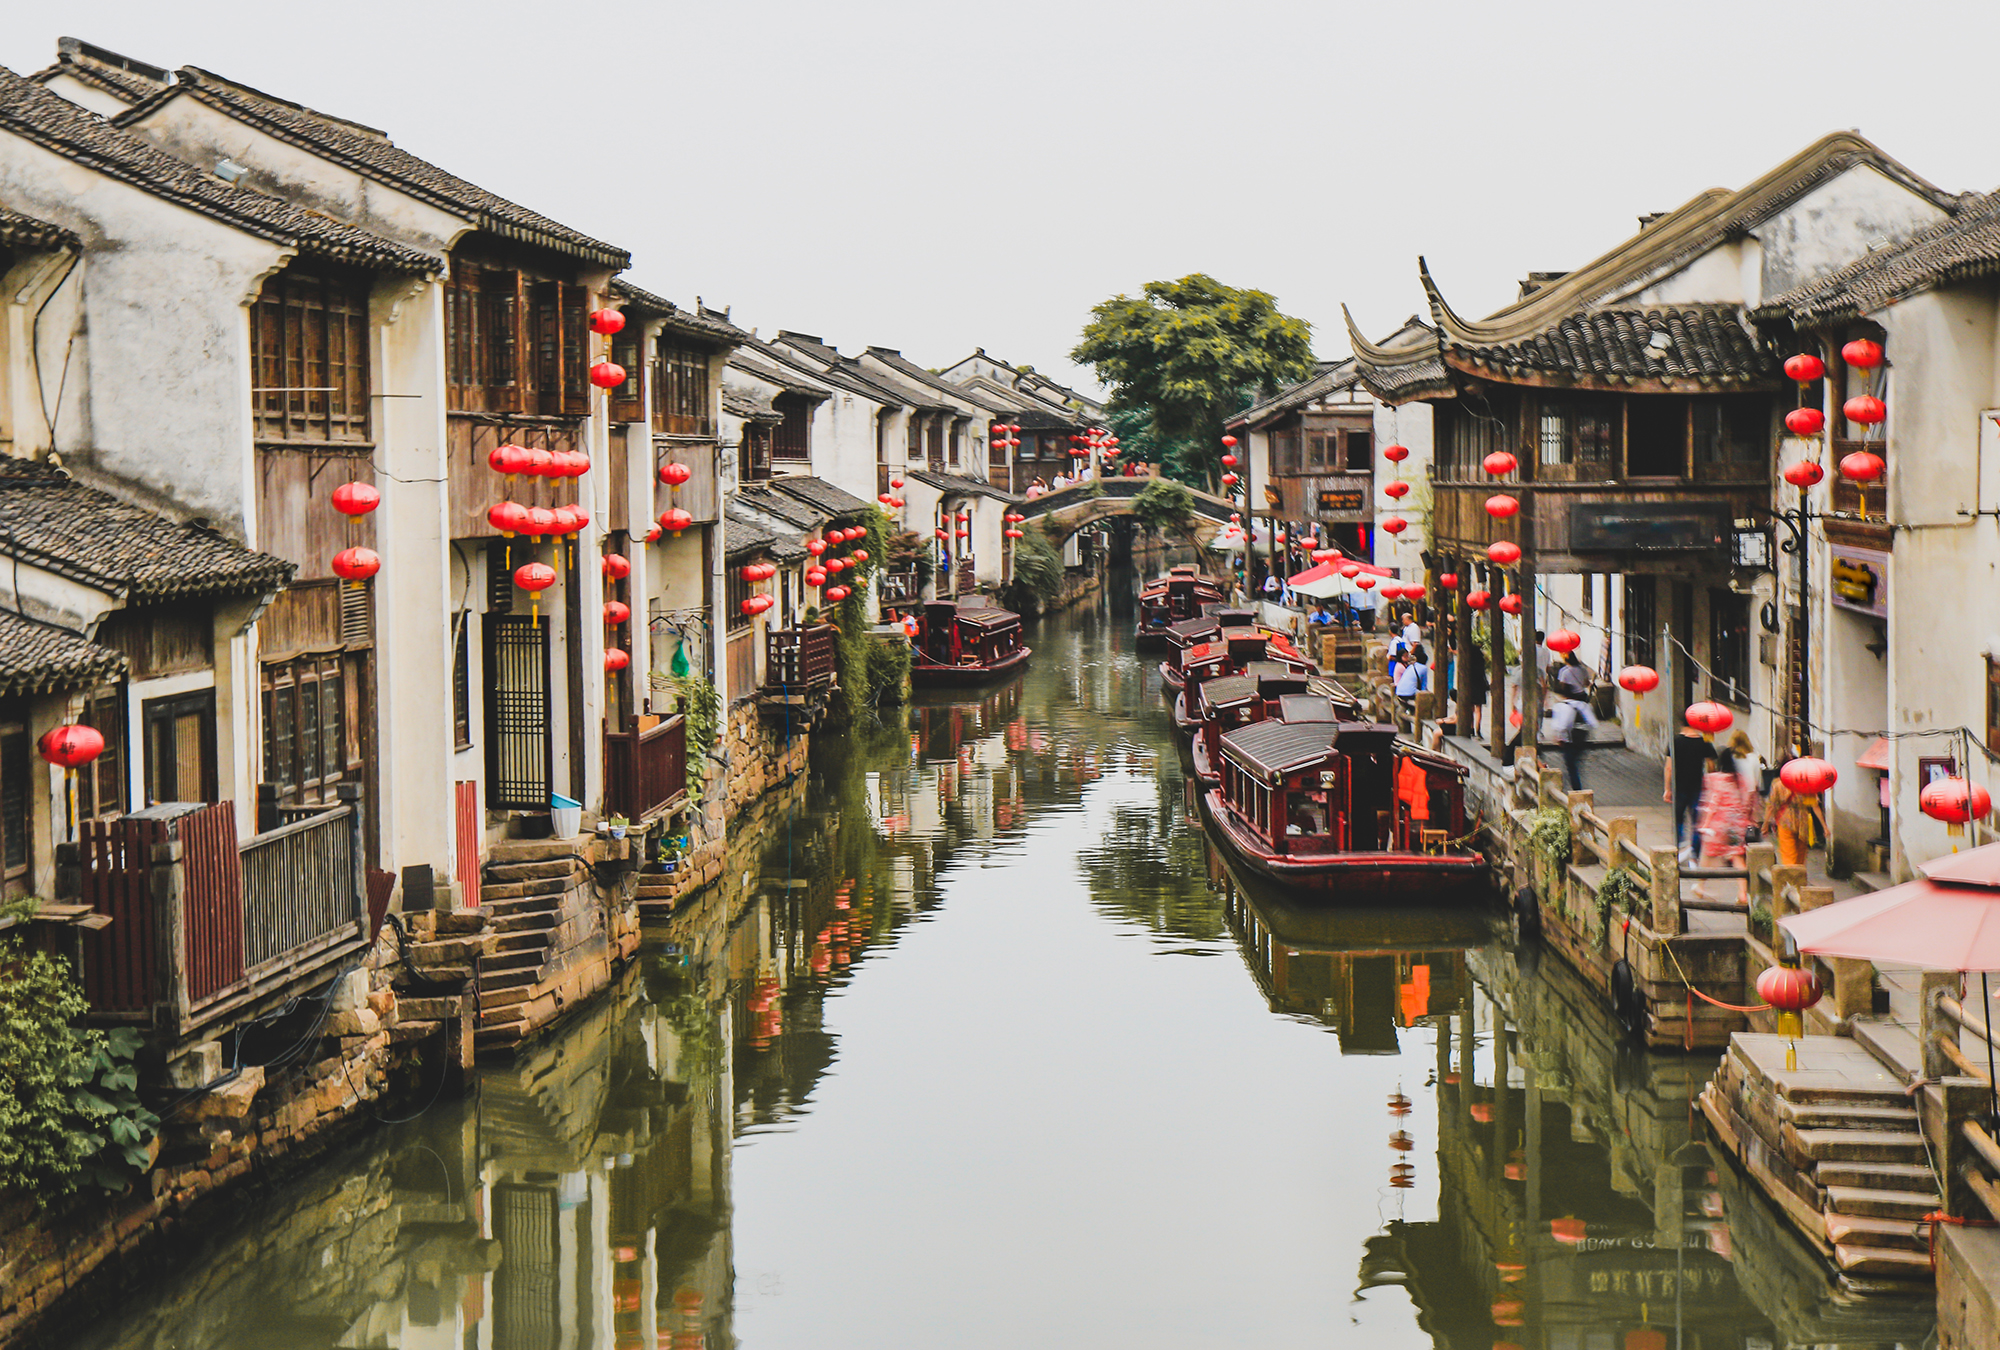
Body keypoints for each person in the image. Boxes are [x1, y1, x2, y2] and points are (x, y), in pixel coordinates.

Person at [1694, 757, 1751, 902]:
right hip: (1736, 823)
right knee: (1737, 857)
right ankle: (1742, 893)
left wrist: (1705, 824)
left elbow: (1713, 802)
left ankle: (1701, 886)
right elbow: (1747, 800)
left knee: (1707, 855)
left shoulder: (1715, 778)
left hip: (1719, 824)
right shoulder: (1740, 780)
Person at [1763, 757, 1828, 866]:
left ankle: (1792, 880)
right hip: (1803, 822)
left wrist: (1765, 823)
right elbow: (1815, 806)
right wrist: (1824, 826)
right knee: (1800, 857)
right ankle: (1799, 879)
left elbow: (1771, 806)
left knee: (1789, 856)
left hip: (1785, 821)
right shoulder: (1807, 784)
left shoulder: (1778, 784)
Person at [1665, 723, 1711, 859]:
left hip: (1679, 786)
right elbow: (1711, 764)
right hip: (1697, 786)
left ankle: (1677, 846)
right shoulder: (1704, 742)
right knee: (1697, 821)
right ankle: (1696, 851)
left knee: (1679, 818)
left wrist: (1667, 789)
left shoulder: (1675, 742)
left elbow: (1669, 767)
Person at [1550, 685, 1598, 790]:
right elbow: (1593, 723)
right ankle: (1575, 786)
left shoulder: (1560, 706)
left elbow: (1561, 725)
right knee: (1575, 764)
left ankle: (1575, 789)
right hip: (1581, 740)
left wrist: (1558, 737)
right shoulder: (1583, 705)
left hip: (1568, 740)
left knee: (1571, 766)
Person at [1460, 638, 1488, 736]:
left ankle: (1471, 727)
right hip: (1480, 685)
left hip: (1469, 685)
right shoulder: (1480, 662)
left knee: (1470, 708)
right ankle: (1478, 729)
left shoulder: (1467, 664)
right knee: (1478, 709)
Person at [1394, 643, 1430, 710]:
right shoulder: (1424, 668)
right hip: (1409, 694)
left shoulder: (1411, 666)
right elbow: (1423, 685)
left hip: (1399, 692)